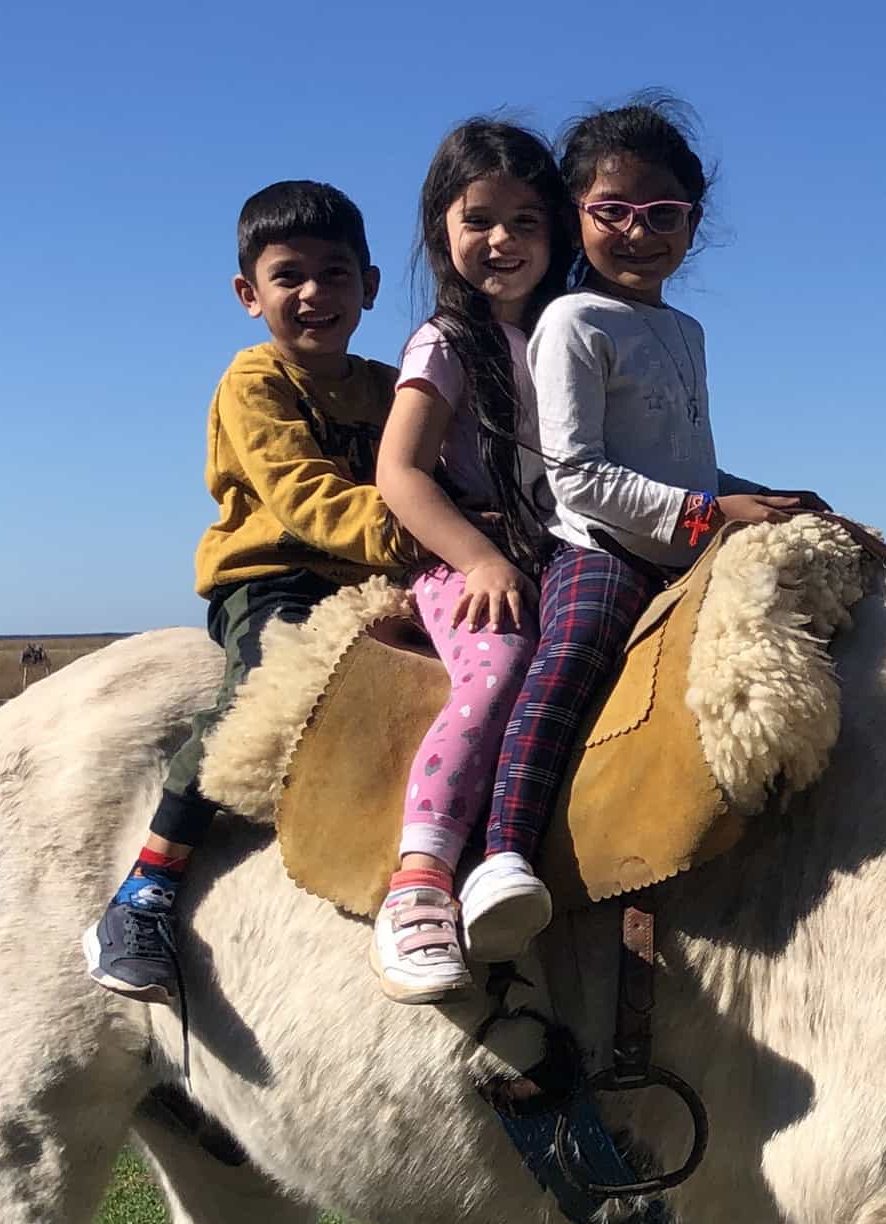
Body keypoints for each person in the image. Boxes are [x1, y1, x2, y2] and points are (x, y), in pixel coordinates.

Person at [454, 94, 811, 958]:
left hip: (683, 548)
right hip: (601, 549)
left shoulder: (684, 329)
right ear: (578, 218)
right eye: (611, 212)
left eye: (662, 214)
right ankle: (502, 854)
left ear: (692, 223)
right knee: (570, 657)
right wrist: (707, 513)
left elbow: (687, 462)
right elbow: (578, 471)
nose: (638, 232)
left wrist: (765, 495)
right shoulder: (572, 322)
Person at [84, 180, 405, 1003]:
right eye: (288, 275)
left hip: (383, 577)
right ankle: (147, 887)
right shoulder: (254, 384)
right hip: (274, 577)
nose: (313, 294)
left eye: (335, 274)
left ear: (369, 286)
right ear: (248, 294)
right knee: (262, 691)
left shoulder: (390, 387)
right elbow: (304, 498)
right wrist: (429, 533)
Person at [365, 117, 582, 1003]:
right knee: (497, 671)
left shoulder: (572, 334)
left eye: (526, 221)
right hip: (471, 557)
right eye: (480, 219)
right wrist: (482, 559)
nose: (503, 241)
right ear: (439, 232)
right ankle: (419, 876)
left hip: (560, 550)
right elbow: (399, 471)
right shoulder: (444, 345)